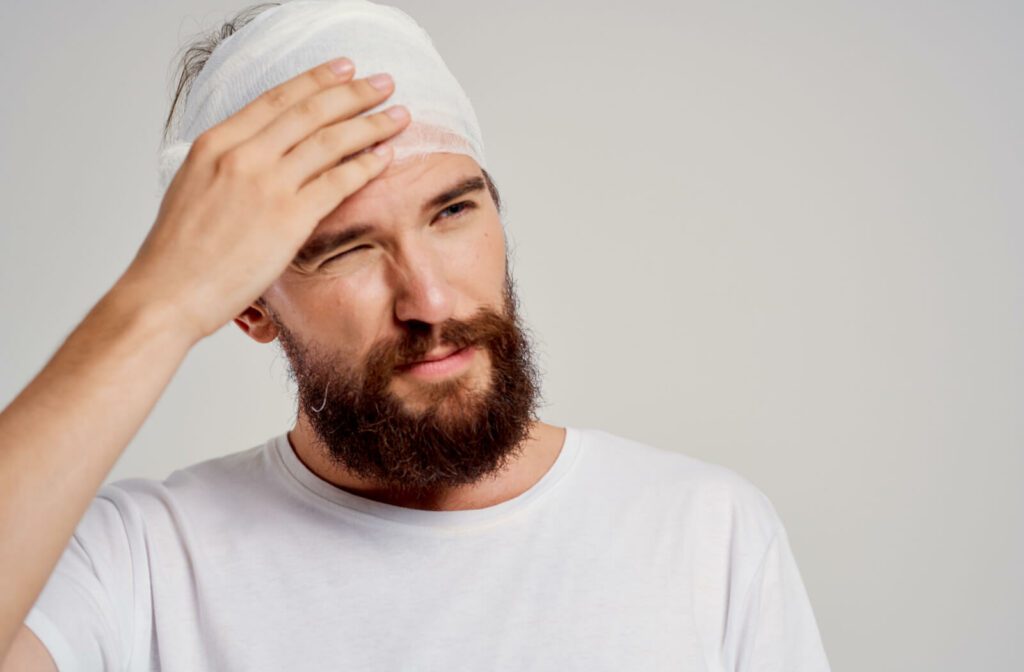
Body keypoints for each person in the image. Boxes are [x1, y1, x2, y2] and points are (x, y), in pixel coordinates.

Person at [0, 1, 831, 670]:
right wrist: (159, 302)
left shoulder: (705, 536)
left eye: (454, 210)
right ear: (247, 305)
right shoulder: (141, 565)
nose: (430, 300)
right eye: (349, 249)